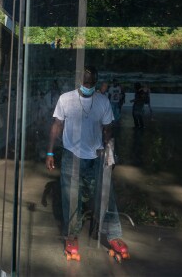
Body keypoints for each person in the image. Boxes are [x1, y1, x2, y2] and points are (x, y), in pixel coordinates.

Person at [46, 66, 127, 261]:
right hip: (71, 156)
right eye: (86, 82)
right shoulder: (66, 99)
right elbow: (57, 125)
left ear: (96, 82)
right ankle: (72, 236)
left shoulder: (103, 101)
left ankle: (114, 235)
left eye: (92, 83)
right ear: (79, 81)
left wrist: (110, 153)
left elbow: (108, 129)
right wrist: (49, 151)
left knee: (106, 195)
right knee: (71, 198)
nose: (89, 86)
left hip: (96, 157)